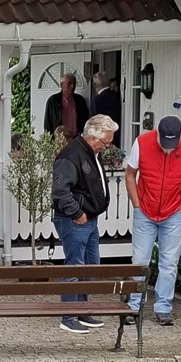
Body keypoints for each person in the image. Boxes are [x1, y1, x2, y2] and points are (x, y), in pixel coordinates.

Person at [124, 115, 181, 325]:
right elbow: (130, 174)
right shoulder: (142, 142)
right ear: (157, 134)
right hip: (145, 211)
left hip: (173, 213)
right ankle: (134, 306)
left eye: (173, 144)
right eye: (164, 144)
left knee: (169, 262)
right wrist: (136, 204)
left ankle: (163, 307)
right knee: (139, 262)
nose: (168, 149)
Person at [51, 114, 118, 332]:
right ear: (92, 137)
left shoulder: (90, 153)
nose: (107, 147)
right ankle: (68, 316)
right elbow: (60, 190)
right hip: (75, 219)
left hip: (89, 218)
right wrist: (76, 213)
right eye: (105, 142)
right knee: (74, 266)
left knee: (90, 265)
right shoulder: (71, 156)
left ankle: (80, 308)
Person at [43, 71, 91, 141]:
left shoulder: (80, 100)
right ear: (61, 85)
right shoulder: (53, 101)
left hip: (77, 140)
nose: (72, 86)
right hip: (59, 140)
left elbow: (86, 120)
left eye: (74, 83)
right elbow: (47, 124)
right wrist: (50, 141)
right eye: (69, 83)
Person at [90, 73, 123, 148]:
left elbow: (94, 123)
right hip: (119, 135)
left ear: (95, 85)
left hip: (103, 139)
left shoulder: (97, 100)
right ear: (108, 83)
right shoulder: (117, 96)